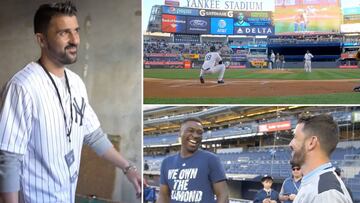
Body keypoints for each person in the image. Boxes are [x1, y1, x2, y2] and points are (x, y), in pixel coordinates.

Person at [0, 2, 141, 203]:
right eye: (64, 33)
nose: (74, 40)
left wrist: (128, 168)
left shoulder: (75, 83)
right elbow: (9, 159)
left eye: (76, 31)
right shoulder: (22, 86)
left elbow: (94, 135)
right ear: (41, 40)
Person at [157, 118, 229, 203]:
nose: (195, 135)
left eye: (199, 133)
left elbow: (223, 195)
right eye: (190, 131)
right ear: (180, 133)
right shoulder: (167, 162)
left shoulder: (211, 159)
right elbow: (163, 195)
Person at [289, 114, 353, 203]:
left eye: (295, 137)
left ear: (311, 143)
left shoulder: (326, 194)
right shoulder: (316, 184)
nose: (290, 144)